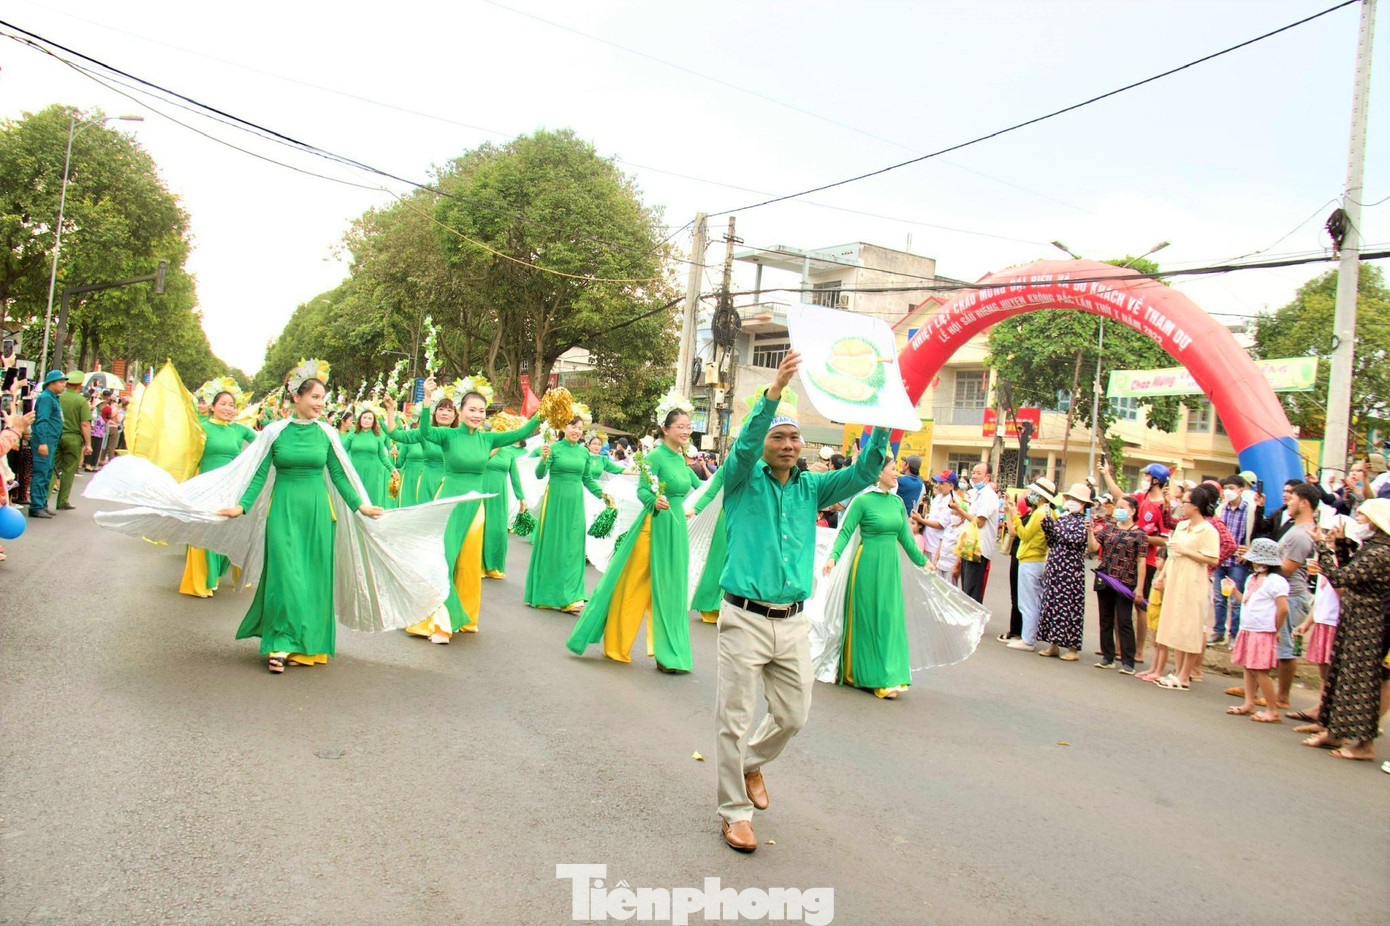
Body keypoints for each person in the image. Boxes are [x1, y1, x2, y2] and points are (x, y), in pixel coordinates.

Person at [714, 351, 888, 853]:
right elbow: (744, 445)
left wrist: (881, 423)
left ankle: (751, 763)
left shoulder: (813, 486)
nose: (789, 445)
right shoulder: (741, 480)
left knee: (793, 716)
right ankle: (734, 813)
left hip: (792, 621)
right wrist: (774, 393)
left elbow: (865, 471)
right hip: (743, 617)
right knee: (733, 718)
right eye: (779, 437)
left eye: (795, 438)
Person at [215, 374, 386, 672]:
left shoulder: (327, 433)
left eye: (322, 398)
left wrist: (361, 506)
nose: (321, 403)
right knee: (286, 574)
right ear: (297, 397)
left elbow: (338, 474)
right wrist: (241, 506)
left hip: (319, 513)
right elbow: (258, 473)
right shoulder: (274, 432)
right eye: (315, 397)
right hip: (282, 510)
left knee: (312, 577)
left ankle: (308, 644)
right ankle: (281, 641)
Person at [384, 382, 539, 641]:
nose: (477, 415)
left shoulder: (489, 439)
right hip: (448, 503)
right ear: (461, 410)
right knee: (443, 558)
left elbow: (523, 431)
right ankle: (440, 620)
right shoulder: (448, 436)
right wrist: (428, 398)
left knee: (468, 564)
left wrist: (543, 413)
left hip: (475, 506)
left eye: (481, 411)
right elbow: (423, 431)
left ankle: (465, 616)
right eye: (472, 410)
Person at [567, 401, 698, 670]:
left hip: (675, 528)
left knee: (672, 589)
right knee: (634, 587)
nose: (686, 431)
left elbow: (698, 486)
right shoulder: (655, 457)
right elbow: (642, 490)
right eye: (680, 427)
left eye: (689, 426)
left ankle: (670, 654)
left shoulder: (681, 459)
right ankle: (616, 645)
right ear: (666, 429)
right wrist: (654, 501)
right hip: (652, 525)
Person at [822, 456, 929, 698]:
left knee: (889, 619)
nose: (896, 474)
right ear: (879, 473)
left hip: (890, 569)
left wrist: (924, 562)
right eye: (892, 469)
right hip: (867, 566)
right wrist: (833, 557)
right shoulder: (862, 501)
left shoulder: (897, 503)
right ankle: (868, 675)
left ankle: (889, 673)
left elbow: (906, 539)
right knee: (869, 619)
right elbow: (846, 531)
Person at [1295, 500, 1390, 760]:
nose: (1358, 521)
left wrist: (1323, 549)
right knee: (1340, 677)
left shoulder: (1380, 553)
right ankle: (1334, 731)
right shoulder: (1374, 548)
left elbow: (1340, 577)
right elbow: (1349, 571)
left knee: (1358, 683)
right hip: (1355, 618)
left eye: (1362, 517)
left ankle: (1364, 745)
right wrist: (1339, 546)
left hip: (1367, 624)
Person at [524, 413, 608, 613]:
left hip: (575, 504)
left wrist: (603, 495)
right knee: (553, 547)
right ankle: (545, 594)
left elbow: (587, 479)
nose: (577, 431)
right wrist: (544, 459)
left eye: (580, 428)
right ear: (563, 428)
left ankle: (571, 596)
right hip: (555, 501)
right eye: (573, 427)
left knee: (573, 548)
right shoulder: (552, 448)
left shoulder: (583, 453)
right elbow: (539, 474)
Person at [179, 391, 256, 598]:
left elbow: (265, 444)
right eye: (224, 404)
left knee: (228, 531)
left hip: (230, 489)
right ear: (213, 406)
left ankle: (222, 570)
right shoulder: (202, 429)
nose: (229, 408)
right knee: (204, 531)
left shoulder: (240, 430)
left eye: (232, 405)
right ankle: (204, 579)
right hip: (205, 487)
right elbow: (189, 456)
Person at [1102, 460, 1175, 664]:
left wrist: (1138, 537)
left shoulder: (1163, 506)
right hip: (1125, 559)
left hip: (1148, 561)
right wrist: (1107, 474)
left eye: (1147, 476)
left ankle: (1139, 651)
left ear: (1156, 480)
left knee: (1139, 606)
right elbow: (1119, 496)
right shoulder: (1139, 498)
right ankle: (1118, 647)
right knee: (1118, 603)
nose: (1144, 479)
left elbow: (1164, 538)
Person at [1153, 483, 1222, 690]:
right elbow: (1173, 553)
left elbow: (1212, 559)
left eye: (1186, 503)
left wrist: (1186, 551)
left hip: (1193, 580)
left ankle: (1185, 675)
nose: (1182, 506)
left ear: (1197, 506)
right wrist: (1162, 575)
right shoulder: (1182, 526)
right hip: (1175, 576)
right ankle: (1176, 671)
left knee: (1190, 627)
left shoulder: (1208, 530)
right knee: (1174, 624)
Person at [1223, 539, 1289, 722]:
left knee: (1260, 670)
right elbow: (1247, 600)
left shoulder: (1276, 581)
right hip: (1249, 628)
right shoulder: (1253, 579)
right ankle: (1249, 702)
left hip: (1263, 630)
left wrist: (1276, 629)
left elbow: (1282, 608)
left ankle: (1272, 710)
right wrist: (1235, 591)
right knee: (1248, 666)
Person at [1090, 494, 1148, 673]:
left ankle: (1128, 660)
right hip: (1105, 577)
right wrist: (1089, 532)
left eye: (1123, 507)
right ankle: (1107, 656)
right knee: (1105, 618)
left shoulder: (1139, 534)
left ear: (1132, 511)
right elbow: (1093, 547)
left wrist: (1139, 587)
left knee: (1124, 620)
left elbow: (1141, 561)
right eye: (1117, 506)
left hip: (1125, 581)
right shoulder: (1108, 528)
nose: (1118, 510)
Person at [1036, 483, 1092, 661]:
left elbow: (1074, 539)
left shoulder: (1084, 521)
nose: (1070, 502)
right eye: (1070, 499)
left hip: (1071, 569)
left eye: (1075, 499)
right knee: (1052, 603)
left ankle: (1073, 648)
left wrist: (1054, 528)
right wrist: (1048, 527)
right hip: (1055, 566)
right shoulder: (1063, 518)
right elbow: (1053, 541)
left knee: (1070, 606)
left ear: (1083, 503)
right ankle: (1053, 644)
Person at [1006, 478, 1055, 652]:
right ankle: (1030, 636)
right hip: (1040, 558)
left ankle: (1028, 639)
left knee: (1027, 602)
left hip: (1031, 558)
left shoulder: (1040, 513)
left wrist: (1015, 517)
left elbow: (1025, 535)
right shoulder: (1050, 512)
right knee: (1035, 600)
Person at [481, 415, 528, 578]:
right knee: (481, 527)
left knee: (498, 530)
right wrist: (496, 448)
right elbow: (478, 461)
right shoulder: (484, 445)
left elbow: (515, 477)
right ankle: (478, 565)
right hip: (481, 492)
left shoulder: (509, 453)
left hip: (499, 496)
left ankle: (494, 566)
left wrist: (521, 497)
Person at [1210, 475, 1255, 645]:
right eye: (1226, 488)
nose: (1228, 491)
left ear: (1241, 490)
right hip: (1221, 559)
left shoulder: (1249, 509)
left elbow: (1251, 534)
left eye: (1232, 488)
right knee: (1219, 597)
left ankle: (1234, 635)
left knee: (1236, 599)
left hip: (1238, 561)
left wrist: (1247, 552)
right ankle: (1218, 631)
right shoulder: (1221, 509)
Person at [951, 462, 999, 603]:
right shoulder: (977, 494)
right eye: (973, 473)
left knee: (972, 592)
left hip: (979, 550)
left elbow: (979, 522)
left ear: (987, 476)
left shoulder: (988, 495)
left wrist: (960, 510)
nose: (975, 476)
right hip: (970, 547)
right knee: (966, 590)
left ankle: (974, 623)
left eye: (979, 473)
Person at [27, 371, 66, 519]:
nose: (64, 385)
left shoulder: (53, 398)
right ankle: (36, 506)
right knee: (41, 472)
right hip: (45, 440)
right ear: (51, 383)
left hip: (51, 440)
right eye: (61, 382)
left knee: (47, 472)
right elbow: (42, 421)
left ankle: (42, 503)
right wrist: (42, 442)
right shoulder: (46, 398)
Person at [341, 408, 396, 508]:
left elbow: (382, 457)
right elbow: (341, 452)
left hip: (373, 472)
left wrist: (392, 468)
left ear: (373, 422)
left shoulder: (377, 437)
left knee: (370, 500)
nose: (366, 420)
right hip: (355, 471)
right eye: (364, 417)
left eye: (370, 418)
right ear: (360, 420)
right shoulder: (352, 436)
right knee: (356, 500)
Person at [55, 369, 91, 512]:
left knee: (53, 468)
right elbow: (85, 424)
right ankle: (62, 501)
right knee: (69, 470)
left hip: (57, 436)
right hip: (73, 439)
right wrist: (88, 444)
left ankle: (43, 499)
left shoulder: (58, 397)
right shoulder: (81, 401)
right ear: (79, 385)